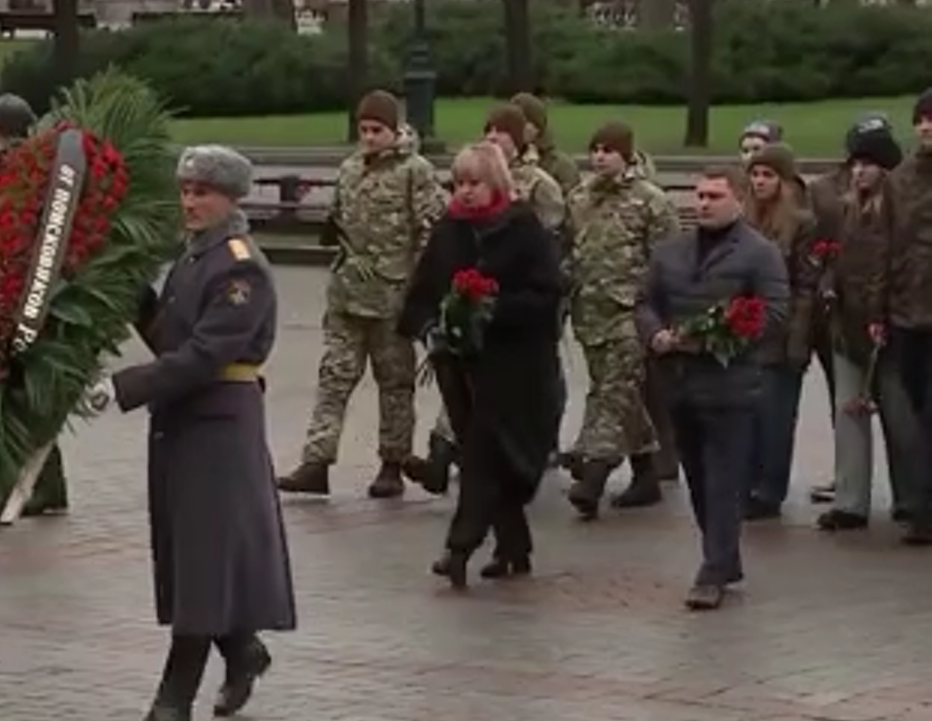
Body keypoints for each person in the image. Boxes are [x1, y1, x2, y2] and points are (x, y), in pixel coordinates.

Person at [87, 145, 296, 721]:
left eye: (203, 192)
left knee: (203, 562)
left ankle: (172, 705)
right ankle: (243, 649)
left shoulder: (239, 267)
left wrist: (122, 388)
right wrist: (126, 290)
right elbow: (169, 338)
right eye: (185, 191)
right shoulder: (192, 260)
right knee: (195, 556)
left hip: (219, 425)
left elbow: (206, 355)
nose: (190, 202)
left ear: (232, 197)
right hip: (184, 421)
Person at [397, 142, 565, 589]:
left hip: (516, 368)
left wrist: (492, 310)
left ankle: (459, 547)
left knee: (484, 457)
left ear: (497, 184)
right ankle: (515, 545)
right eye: (460, 183)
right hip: (460, 366)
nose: (466, 192)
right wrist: (433, 327)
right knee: (487, 456)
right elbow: (422, 292)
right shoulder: (449, 230)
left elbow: (547, 295)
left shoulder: (524, 228)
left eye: (475, 183)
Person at [277, 90, 445, 499]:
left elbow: (430, 229)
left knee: (394, 382)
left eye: (377, 130)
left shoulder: (415, 171)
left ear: (395, 129)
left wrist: (422, 288)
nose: (369, 138)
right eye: (364, 129)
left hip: (393, 296)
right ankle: (316, 461)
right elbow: (338, 223)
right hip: (347, 294)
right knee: (334, 377)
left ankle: (393, 461)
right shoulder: (350, 168)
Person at [637, 165, 789, 610]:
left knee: (724, 480)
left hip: (731, 383)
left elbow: (774, 313)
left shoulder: (759, 254)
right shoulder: (671, 251)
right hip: (679, 383)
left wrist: (713, 338)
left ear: (738, 201)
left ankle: (711, 570)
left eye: (714, 196)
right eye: (700, 195)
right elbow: (645, 301)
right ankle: (725, 558)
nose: (703, 203)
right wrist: (654, 334)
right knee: (699, 479)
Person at [0, 92, 70, 527]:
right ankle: (46, 486)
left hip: (22, 297)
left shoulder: (33, 181)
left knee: (6, 399)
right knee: (19, 396)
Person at [563, 122, 678, 518]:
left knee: (615, 390)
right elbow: (568, 250)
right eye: (594, 150)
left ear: (626, 155)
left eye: (608, 150)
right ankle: (646, 472)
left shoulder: (651, 201)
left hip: (633, 313)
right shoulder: (579, 199)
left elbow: (668, 259)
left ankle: (593, 471)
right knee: (619, 392)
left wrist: (662, 314)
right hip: (590, 312)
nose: (599, 157)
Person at [822, 118, 922, 530]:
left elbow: (895, 267)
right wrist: (829, 283)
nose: (859, 171)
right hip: (848, 327)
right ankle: (850, 500)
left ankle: (912, 498)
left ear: (887, 169)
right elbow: (833, 259)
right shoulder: (845, 210)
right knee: (848, 414)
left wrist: (884, 315)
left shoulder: (900, 211)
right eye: (855, 163)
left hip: (890, 326)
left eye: (868, 164)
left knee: (902, 420)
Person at [742, 143, 823, 521]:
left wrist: (797, 339)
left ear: (784, 180)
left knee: (775, 416)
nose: (759, 181)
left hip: (783, 329)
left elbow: (806, 286)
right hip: (746, 330)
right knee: (747, 414)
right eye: (755, 174)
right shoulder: (743, 219)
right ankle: (744, 482)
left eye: (767, 175)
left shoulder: (802, 223)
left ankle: (769, 489)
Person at [883, 89, 932, 545]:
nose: (926, 126)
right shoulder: (899, 181)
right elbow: (886, 244)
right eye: (921, 119)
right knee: (913, 413)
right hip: (907, 313)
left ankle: (925, 511)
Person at [509, 92, 582, 196]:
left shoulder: (560, 165)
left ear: (537, 127)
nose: (516, 128)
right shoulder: (501, 159)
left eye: (523, 122)